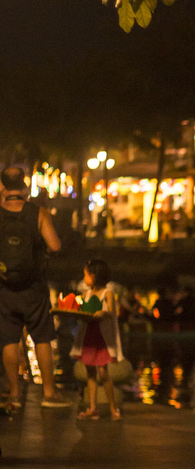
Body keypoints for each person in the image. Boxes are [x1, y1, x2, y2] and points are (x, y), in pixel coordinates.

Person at [0, 166, 71, 411]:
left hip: (4, 288)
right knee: (42, 337)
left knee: (8, 339)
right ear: (24, 186)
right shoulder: (38, 212)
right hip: (34, 288)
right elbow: (54, 245)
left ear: (2, 187)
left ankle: (14, 393)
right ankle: (49, 392)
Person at [71, 258, 123, 420]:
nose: (84, 278)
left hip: (101, 340)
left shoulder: (107, 293)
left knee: (103, 373)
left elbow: (112, 311)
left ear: (94, 276)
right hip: (88, 338)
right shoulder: (86, 294)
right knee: (90, 374)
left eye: (86, 275)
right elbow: (82, 311)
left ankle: (113, 408)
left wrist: (103, 312)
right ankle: (92, 408)